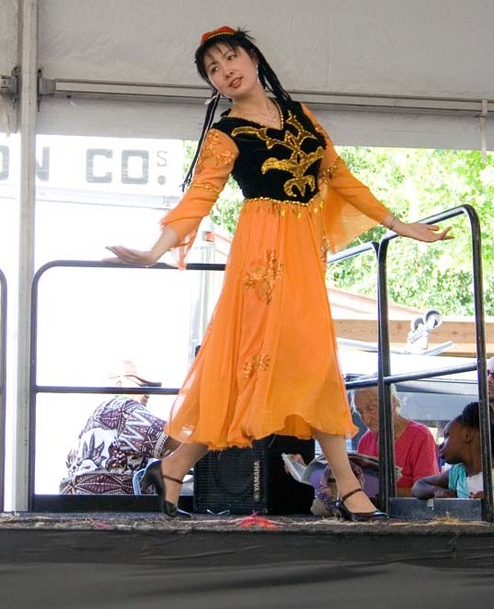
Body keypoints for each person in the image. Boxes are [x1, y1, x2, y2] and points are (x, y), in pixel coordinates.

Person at [105, 25, 451, 521]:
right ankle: (349, 488)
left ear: (253, 57)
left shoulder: (299, 114)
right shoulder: (225, 134)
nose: (226, 71)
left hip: (303, 253)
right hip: (261, 256)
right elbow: (199, 197)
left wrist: (399, 225)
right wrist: (154, 250)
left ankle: (175, 466)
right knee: (254, 369)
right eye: (213, 69)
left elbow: (341, 176)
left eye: (231, 57)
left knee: (313, 363)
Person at [60, 359, 179, 495]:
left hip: (77, 503)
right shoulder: (125, 409)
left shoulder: (88, 423)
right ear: (119, 384)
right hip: (115, 502)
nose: (148, 393)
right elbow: (174, 440)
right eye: (142, 385)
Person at [351, 384, 440, 497]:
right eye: (360, 412)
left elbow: (427, 491)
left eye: (371, 409)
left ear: (392, 403)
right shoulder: (365, 441)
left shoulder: (420, 436)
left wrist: (378, 492)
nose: (366, 419)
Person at [412, 402, 494, 499]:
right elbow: (418, 486)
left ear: (467, 435)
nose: (440, 445)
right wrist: (436, 490)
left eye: (447, 435)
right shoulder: (457, 473)